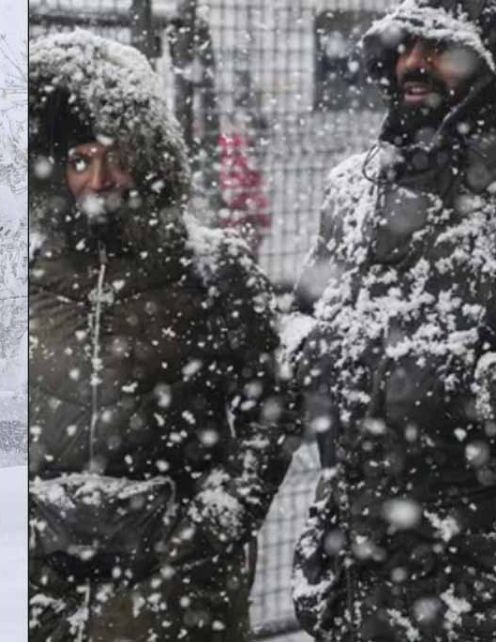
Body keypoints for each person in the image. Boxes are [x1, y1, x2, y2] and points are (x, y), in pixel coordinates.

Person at [291, 0, 496, 639]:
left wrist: (483, 391)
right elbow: (304, 320)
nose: (412, 63)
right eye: (404, 43)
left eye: (438, 47)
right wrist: (310, 352)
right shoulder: (350, 192)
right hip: (364, 576)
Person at [28, 31, 296, 641]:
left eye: (115, 155)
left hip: (173, 600)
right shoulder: (17, 276)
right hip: (42, 597)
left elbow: (272, 414)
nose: (99, 179)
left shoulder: (215, 270)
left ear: (149, 156)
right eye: (78, 159)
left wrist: (209, 528)